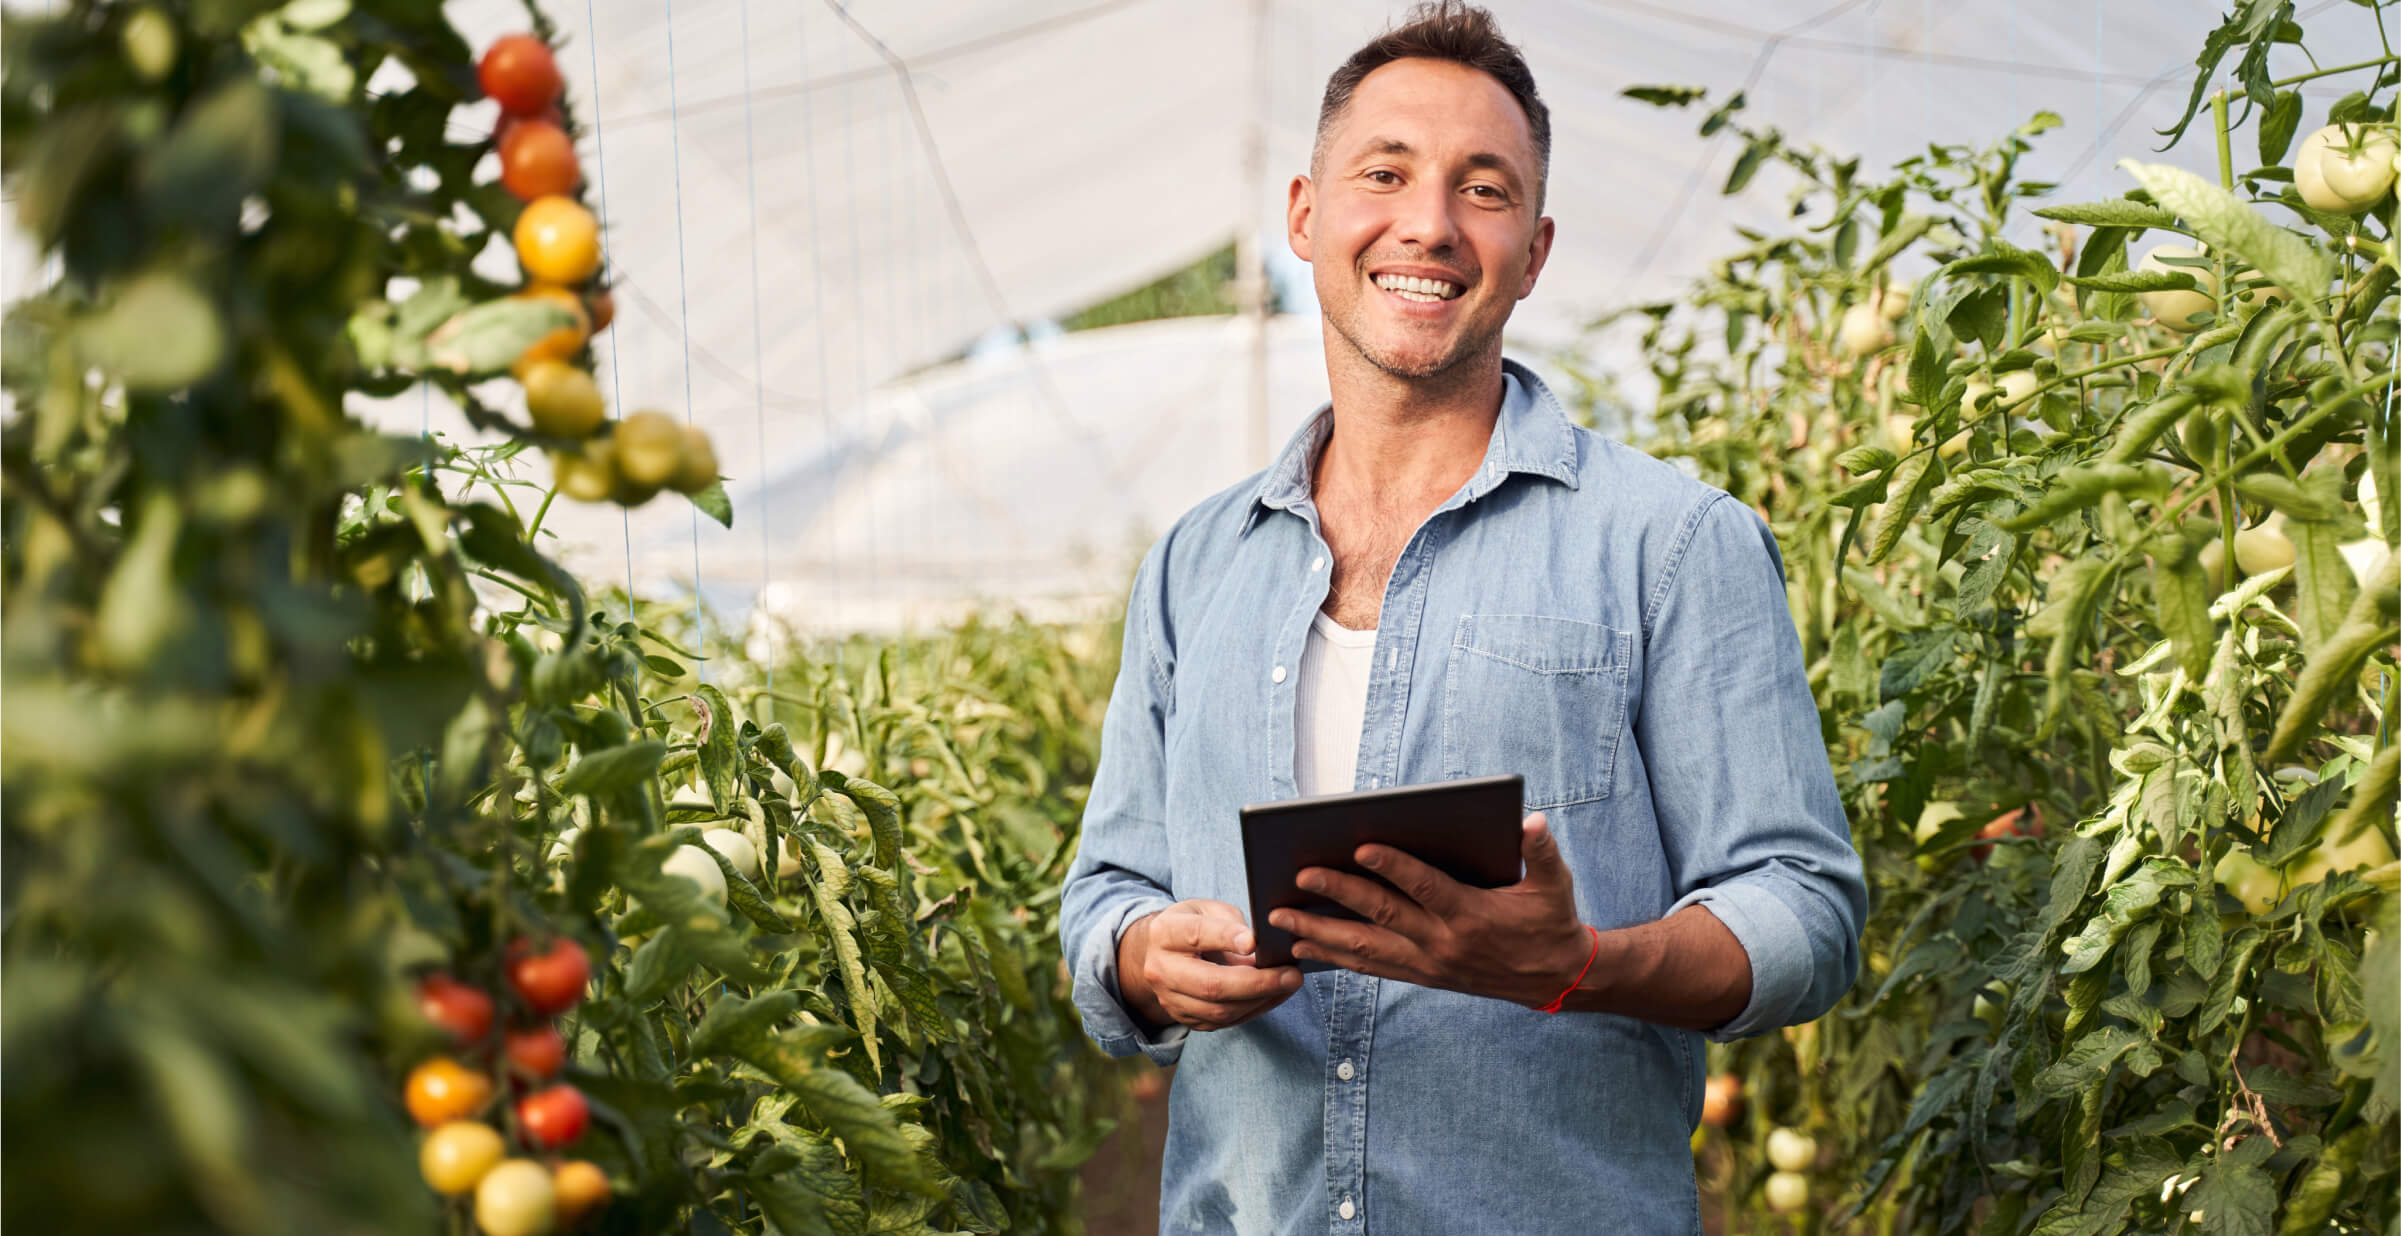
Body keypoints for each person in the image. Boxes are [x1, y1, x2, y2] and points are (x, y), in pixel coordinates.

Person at [1057, 4, 1867, 1231]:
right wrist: (1139, 956)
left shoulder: (1672, 545)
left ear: (1533, 253)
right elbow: (1106, 889)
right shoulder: (1194, 564)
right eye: (1383, 173)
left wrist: (1575, 967)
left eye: (1482, 190)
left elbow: (1803, 910)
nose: (1427, 223)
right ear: (1304, 215)